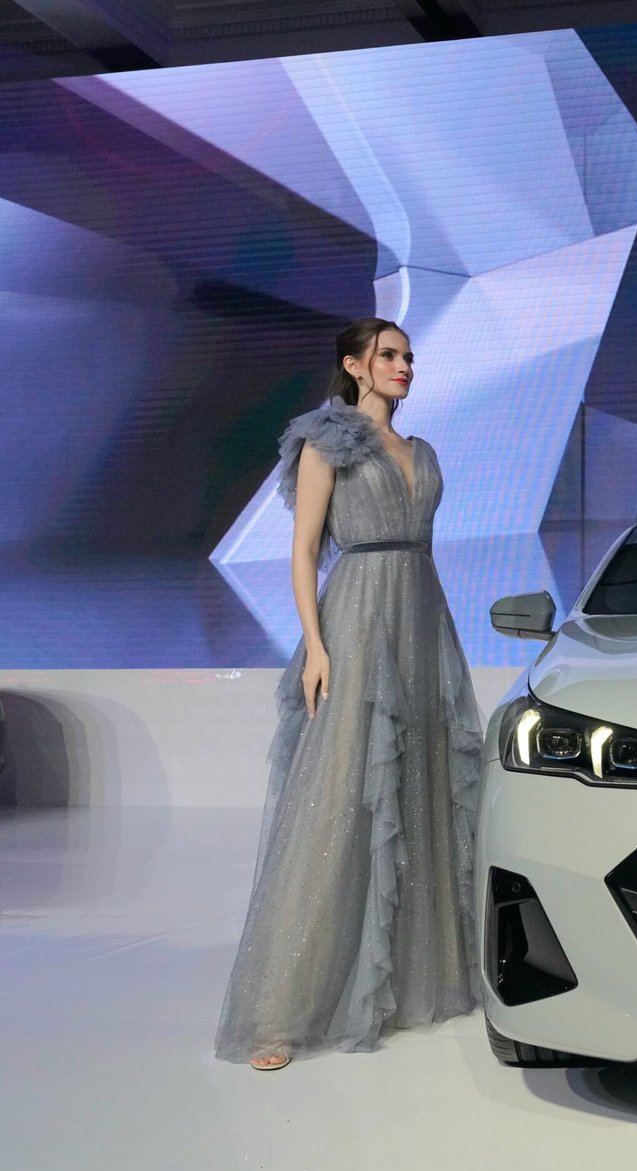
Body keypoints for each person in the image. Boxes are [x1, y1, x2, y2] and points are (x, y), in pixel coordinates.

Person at [215, 319, 484, 1069]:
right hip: (359, 618)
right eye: (388, 355)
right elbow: (304, 548)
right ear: (354, 365)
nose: (404, 366)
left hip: (422, 617)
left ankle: (400, 980)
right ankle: (283, 1008)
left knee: (419, 787)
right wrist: (316, 645)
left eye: (408, 357)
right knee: (339, 794)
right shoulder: (325, 440)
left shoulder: (421, 451)